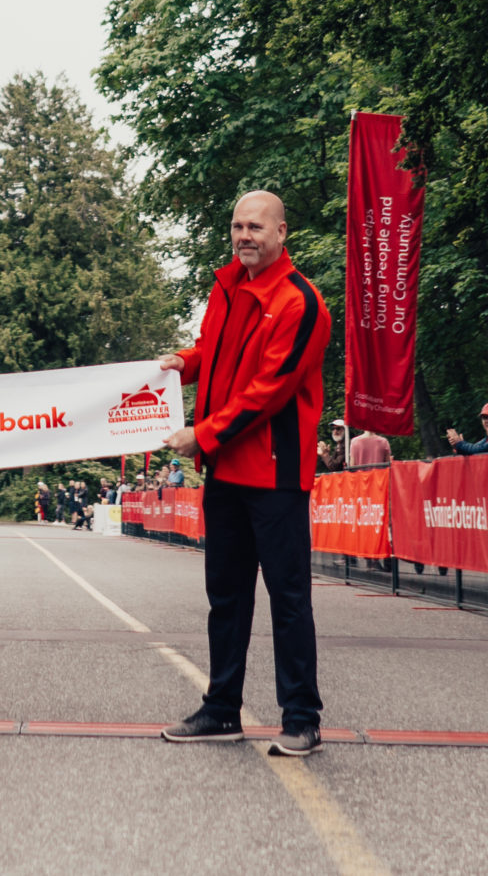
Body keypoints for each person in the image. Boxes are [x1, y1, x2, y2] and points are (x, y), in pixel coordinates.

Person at [157, 190, 333, 759]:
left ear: (283, 231)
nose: (244, 236)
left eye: (255, 226)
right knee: (226, 596)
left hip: (276, 474)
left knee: (288, 598)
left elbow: (268, 391)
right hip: (227, 473)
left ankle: (302, 719)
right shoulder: (228, 284)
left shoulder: (302, 303)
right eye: (236, 226)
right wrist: (182, 363)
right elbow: (214, 349)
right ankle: (221, 710)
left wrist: (201, 435)